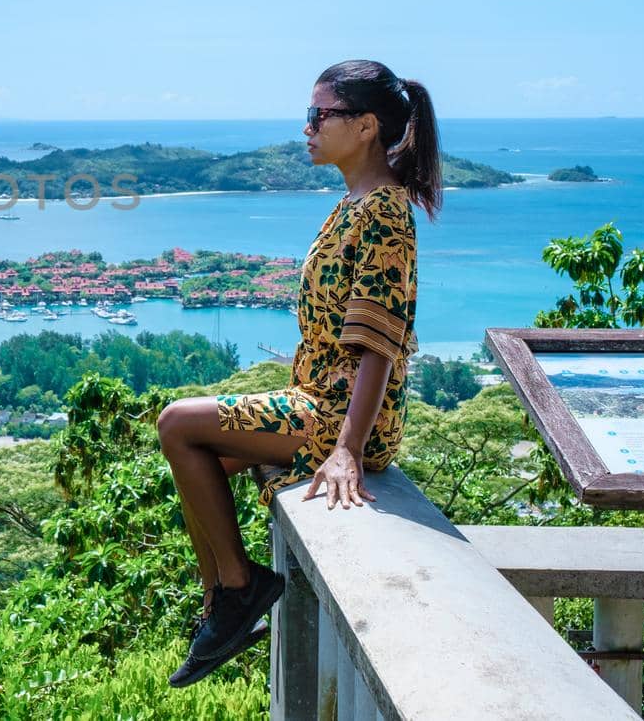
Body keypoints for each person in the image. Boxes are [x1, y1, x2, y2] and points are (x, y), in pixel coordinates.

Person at [157, 59, 442, 688]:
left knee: (178, 425)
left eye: (320, 115)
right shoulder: (354, 203)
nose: (307, 128)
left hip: (340, 414)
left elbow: (378, 342)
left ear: (366, 125)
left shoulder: (384, 215)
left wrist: (347, 451)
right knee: (197, 463)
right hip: (316, 398)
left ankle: (237, 589)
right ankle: (222, 603)